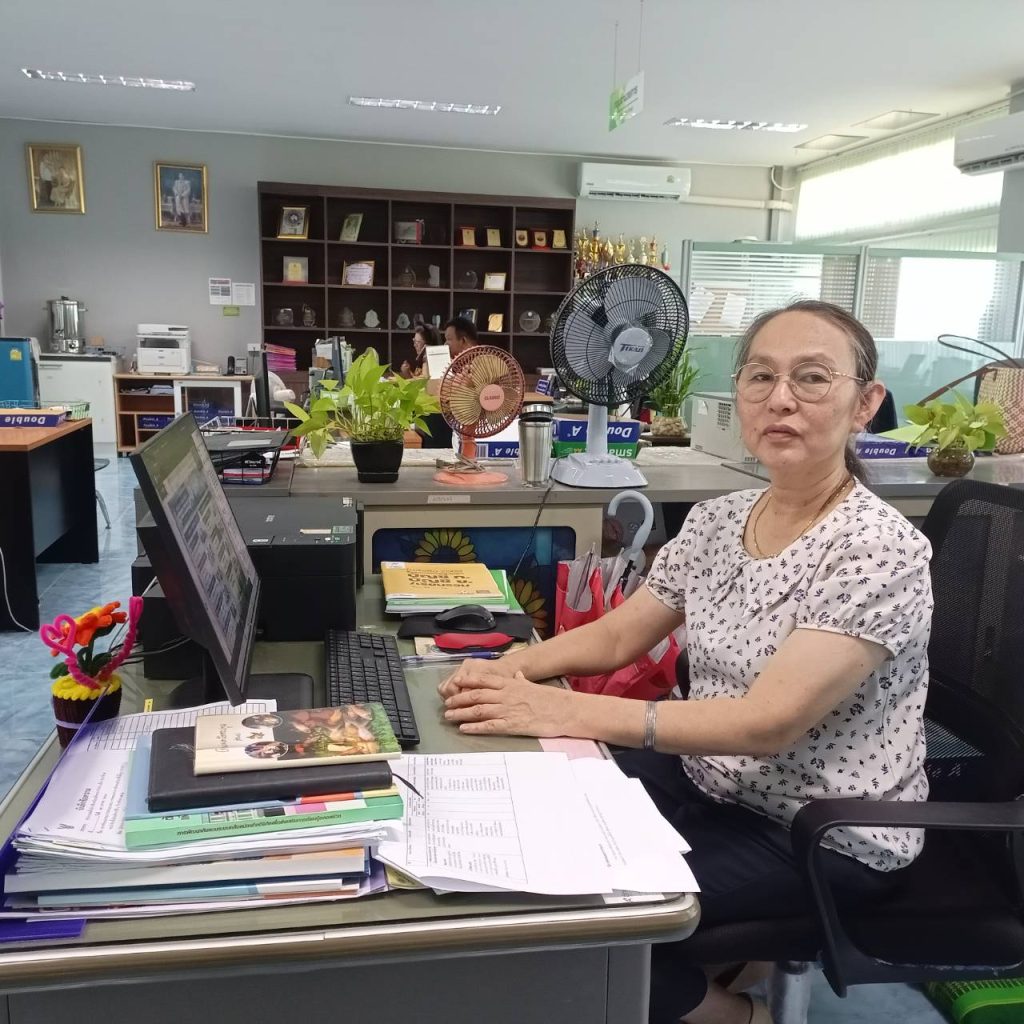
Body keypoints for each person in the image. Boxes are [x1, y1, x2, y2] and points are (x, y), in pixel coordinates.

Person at [439, 300, 933, 1024]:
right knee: (527, 819)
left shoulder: (877, 548)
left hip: (821, 828)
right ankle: (724, 967)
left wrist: (563, 706)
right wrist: (518, 666)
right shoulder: (718, 519)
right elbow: (618, 637)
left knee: (569, 922)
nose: (780, 398)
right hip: (708, 780)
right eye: (760, 376)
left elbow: (766, 723)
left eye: (811, 377)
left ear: (865, 404)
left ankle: (742, 1017)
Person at [418, 317, 481, 449]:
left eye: (449, 339)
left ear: (463, 340)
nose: (446, 344)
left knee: (434, 417)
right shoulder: (455, 363)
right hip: (454, 424)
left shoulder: (482, 364)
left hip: (466, 422)